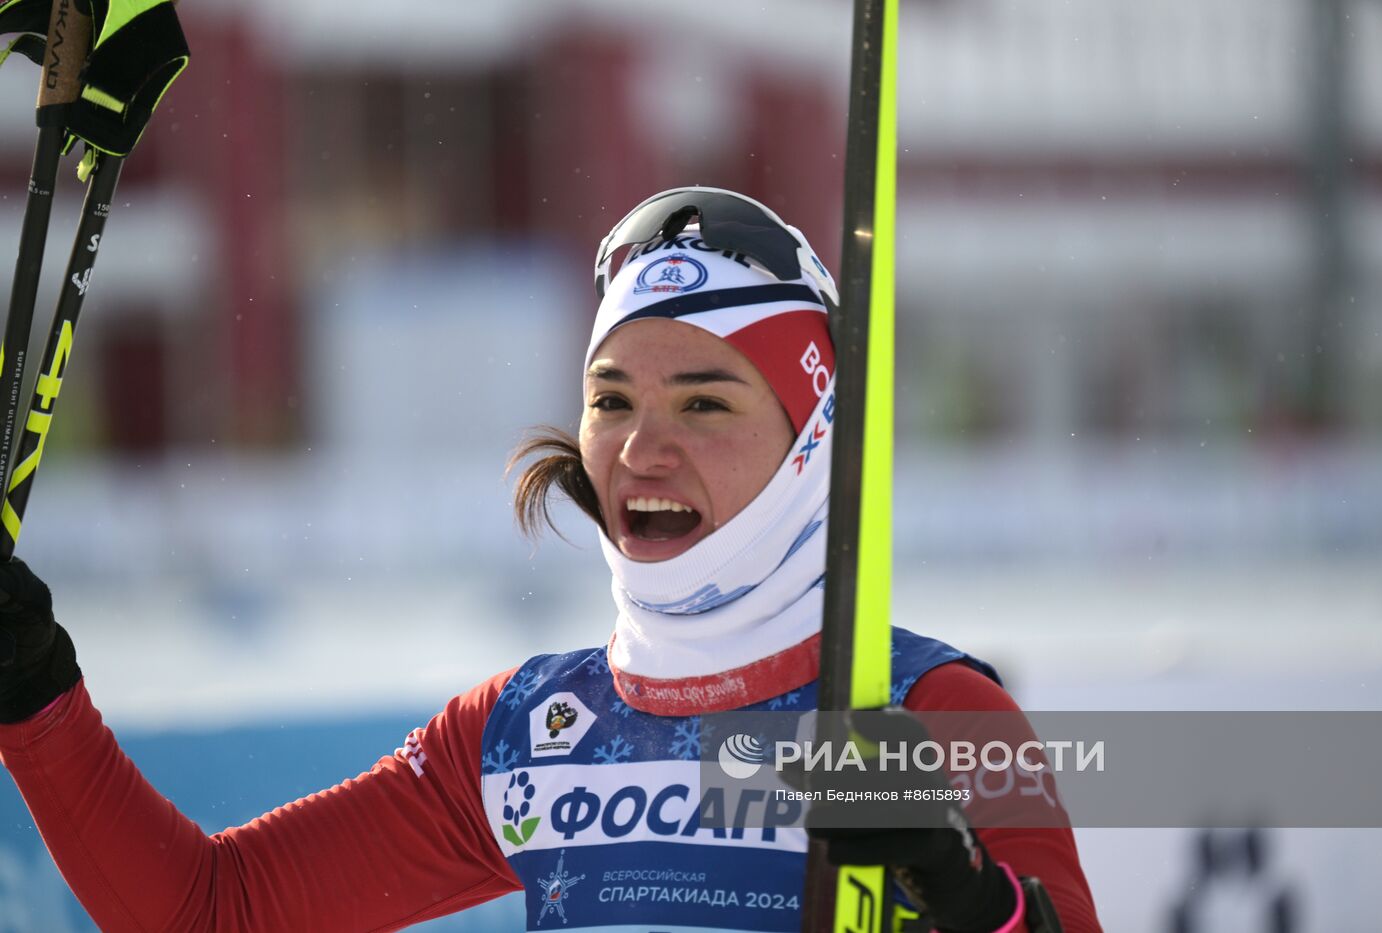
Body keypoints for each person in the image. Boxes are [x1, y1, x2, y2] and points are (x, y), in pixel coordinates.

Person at [0, 188, 1101, 932]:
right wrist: (35, 690)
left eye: (704, 402)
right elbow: (209, 909)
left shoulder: (926, 711)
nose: (639, 446)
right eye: (610, 400)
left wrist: (963, 896)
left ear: (813, 442)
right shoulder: (527, 734)